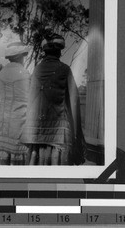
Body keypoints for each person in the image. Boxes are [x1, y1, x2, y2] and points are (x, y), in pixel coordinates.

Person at [21, 33, 86, 165]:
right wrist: (77, 133)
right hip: (58, 132)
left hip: (35, 132)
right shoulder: (64, 69)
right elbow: (74, 100)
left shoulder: (37, 70)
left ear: (45, 52)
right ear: (59, 52)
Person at [0, 41, 30, 165]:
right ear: (20, 56)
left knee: (3, 154)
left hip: (2, 121)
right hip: (18, 122)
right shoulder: (24, 74)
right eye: (23, 56)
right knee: (16, 154)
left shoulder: (1, 73)